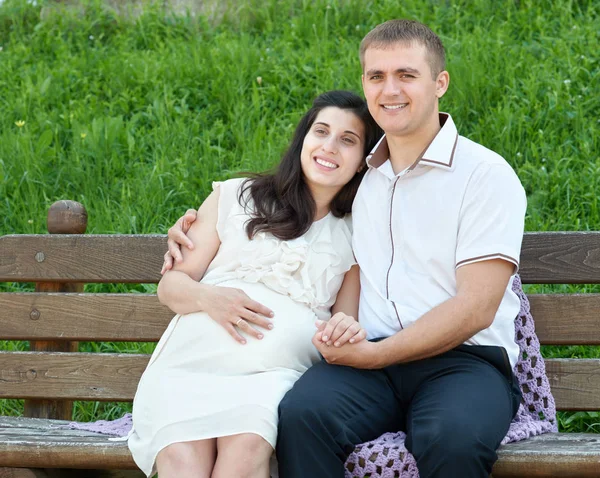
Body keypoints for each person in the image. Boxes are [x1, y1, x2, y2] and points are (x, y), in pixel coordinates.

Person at [164, 20, 527, 478]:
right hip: (369, 363)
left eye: (406, 75)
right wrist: (189, 229)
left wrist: (378, 353)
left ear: (440, 83)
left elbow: (475, 308)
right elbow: (289, 214)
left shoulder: (484, 175)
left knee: (449, 439)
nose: (389, 89)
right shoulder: (359, 183)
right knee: (302, 417)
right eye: (376, 76)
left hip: (462, 362)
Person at [127, 90, 382, 478]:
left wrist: (344, 329)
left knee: (244, 453)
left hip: (270, 377)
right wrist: (210, 299)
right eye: (321, 132)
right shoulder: (235, 196)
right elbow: (170, 287)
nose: (329, 147)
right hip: (188, 368)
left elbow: (342, 321)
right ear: (303, 140)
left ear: (363, 162)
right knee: (182, 463)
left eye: (347, 140)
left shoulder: (354, 234)